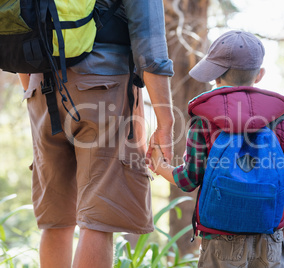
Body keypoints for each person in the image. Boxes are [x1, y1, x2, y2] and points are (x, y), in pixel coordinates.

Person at [18, 0, 174, 267]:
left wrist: (33, 90)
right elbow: (150, 46)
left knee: (57, 220)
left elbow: (17, 26)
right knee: (100, 219)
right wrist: (165, 122)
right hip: (104, 85)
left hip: (40, 85)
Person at [149, 30, 284, 268]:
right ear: (259, 75)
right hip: (270, 236)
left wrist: (160, 167)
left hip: (220, 238)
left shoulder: (205, 121)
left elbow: (189, 179)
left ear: (216, 78)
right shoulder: (282, 124)